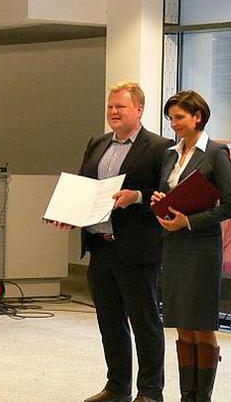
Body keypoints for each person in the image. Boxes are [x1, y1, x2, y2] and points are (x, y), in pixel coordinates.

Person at [79, 82, 173, 402]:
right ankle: (117, 387)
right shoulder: (97, 143)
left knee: (144, 323)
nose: (113, 111)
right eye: (110, 106)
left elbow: (167, 196)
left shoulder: (160, 147)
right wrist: (69, 213)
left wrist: (137, 197)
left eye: (120, 106)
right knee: (110, 322)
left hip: (136, 248)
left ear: (139, 110)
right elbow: (84, 188)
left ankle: (149, 391)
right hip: (100, 245)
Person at [151, 90, 231, 402]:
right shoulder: (171, 154)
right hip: (173, 245)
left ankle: (203, 396)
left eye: (180, 117)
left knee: (201, 325)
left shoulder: (216, 152)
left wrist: (188, 221)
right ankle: (187, 395)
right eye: (171, 118)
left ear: (197, 116)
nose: (174, 123)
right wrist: (159, 200)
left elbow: (230, 206)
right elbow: (168, 192)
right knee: (182, 326)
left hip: (201, 246)